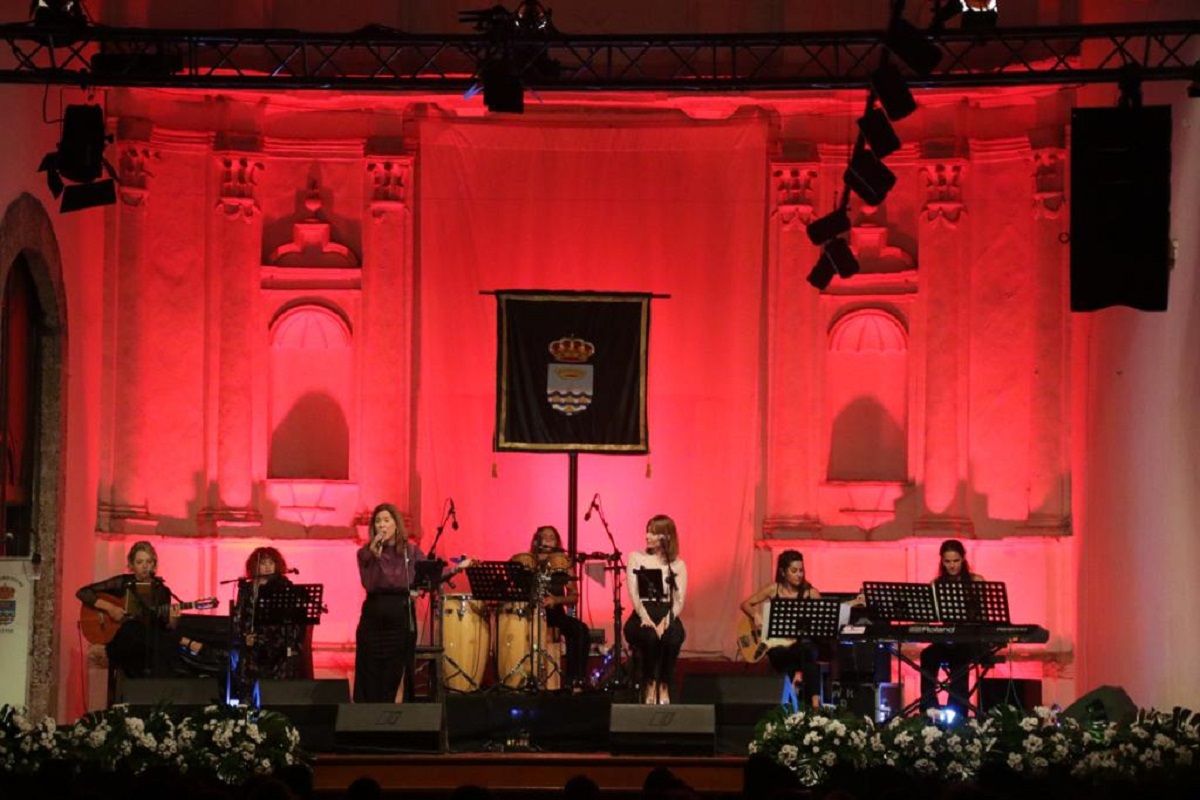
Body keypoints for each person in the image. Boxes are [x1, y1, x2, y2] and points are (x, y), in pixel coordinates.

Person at [76, 540, 198, 678]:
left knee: (146, 634)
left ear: (154, 565)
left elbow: (163, 628)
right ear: (131, 565)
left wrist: (173, 621)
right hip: (124, 640)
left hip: (146, 645)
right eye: (139, 562)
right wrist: (110, 608)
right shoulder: (123, 583)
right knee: (131, 629)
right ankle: (184, 642)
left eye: (148, 562)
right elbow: (83, 593)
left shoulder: (162, 590)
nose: (144, 566)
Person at [355, 503, 423, 702]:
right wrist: (374, 556)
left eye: (386, 520)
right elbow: (369, 583)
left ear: (396, 524)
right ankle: (369, 714)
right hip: (373, 617)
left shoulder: (410, 552)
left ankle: (392, 713)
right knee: (370, 671)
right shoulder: (365, 553)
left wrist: (456, 568)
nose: (382, 525)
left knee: (394, 671)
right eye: (378, 521)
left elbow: (429, 572)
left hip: (399, 616)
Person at [740, 549, 823, 709]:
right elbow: (745, 604)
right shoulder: (774, 589)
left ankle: (813, 704)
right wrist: (756, 615)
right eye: (794, 571)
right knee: (784, 655)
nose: (799, 574)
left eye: (801, 570)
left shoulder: (811, 593)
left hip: (800, 645)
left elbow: (823, 616)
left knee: (807, 651)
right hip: (779, 646)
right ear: (783, 572)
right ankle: (792, 702)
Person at [624, 514, 688, 705]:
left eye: (653, 533)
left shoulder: (677, 564)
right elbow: (634, 593)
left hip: (667, 613)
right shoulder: (636, 558)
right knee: (650, 636)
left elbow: (679, 600)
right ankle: (650, 681)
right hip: (642, 613)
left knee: (674, 636)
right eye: (648, 531)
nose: (647, 536)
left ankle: (664, 683)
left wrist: (665, 622)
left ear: (666, 536)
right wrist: (646, 618)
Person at [919, 538, 986, 713]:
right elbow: (930, 614)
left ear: (963, 559)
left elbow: (984, 616)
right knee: (927, 655)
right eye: (947, 561)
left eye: (956, 560)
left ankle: (957, 712)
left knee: (960, 657)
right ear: (942, 561)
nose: (952, 565)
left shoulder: (975, 581)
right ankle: (929, 709)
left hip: (969, 640)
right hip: (947, 638)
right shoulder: (936, 584)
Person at [233, 546, 305, 698]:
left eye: (271, 563)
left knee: (280, 654)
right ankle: (248, 702)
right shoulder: (247, 589)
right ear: (255, 565)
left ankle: (276, 700)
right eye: (263, 563)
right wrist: (245, 635)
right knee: (246, 657)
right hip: (253, 641)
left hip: (276, 641)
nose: (267, 567)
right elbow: (239, 617)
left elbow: (293, 618)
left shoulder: (284, 586)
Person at [529, 525, 591, 691]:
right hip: (531, 613)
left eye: (552, 537)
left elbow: (574, 597)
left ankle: (575, 680)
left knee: (580, 630)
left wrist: (556, 599)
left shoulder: (563, 562)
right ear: (537, 541)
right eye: (544, 537)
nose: (548, 540)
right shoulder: (530, 560)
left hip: (554, 612)